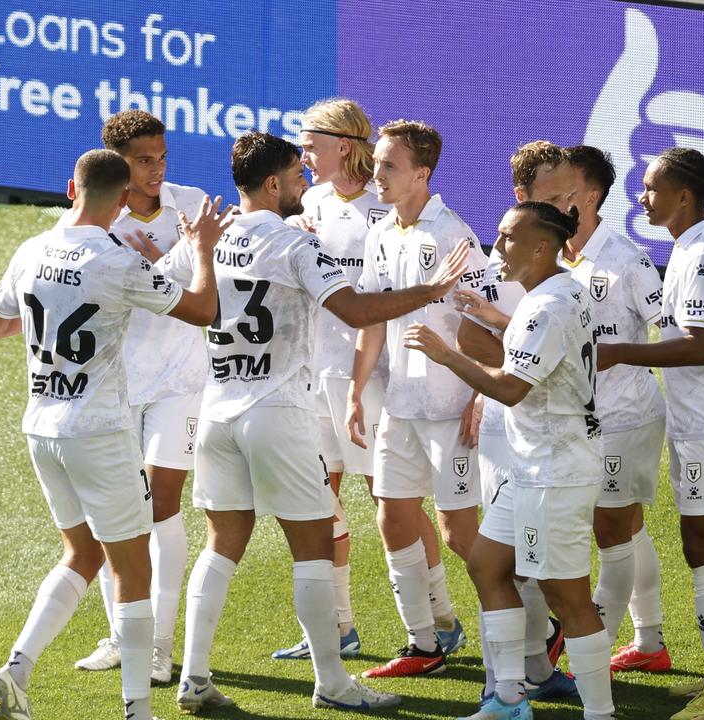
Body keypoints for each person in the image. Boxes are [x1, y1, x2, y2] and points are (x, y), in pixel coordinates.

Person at [168, 131, 475, 713]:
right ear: (272, 184)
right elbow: (357, 310)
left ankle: (196, 677)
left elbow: (167, 287)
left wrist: (198, 249)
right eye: (296, 174)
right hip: (279, 415)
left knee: (220, 546)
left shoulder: (210, 235)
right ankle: (332, 682)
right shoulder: (293, 244)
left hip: (217, 413)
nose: (305, 182)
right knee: (312, 550)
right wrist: (432, 290)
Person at [0, 148, 233, 720]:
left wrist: (61, 302)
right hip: (99, 430)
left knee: (81, 551)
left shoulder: (31, 249)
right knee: (132, 564)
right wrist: (204, 252)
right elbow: (202, 309)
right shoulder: (117, 261)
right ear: (122, 200)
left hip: (41, 427)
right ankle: (138, 709)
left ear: (72, 187)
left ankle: (16, 670)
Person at [405, 201, 615, 720]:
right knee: (486, 564)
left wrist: (447, 353)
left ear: (541, 247)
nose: (496, 247)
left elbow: (511, 388)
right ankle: (509, 698)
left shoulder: (547, 307)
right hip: (532, 466)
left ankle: (601, 713)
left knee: (568, 600)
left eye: (506, 237)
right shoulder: (555, 293)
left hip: (554, 472)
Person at [599, 147, 704, 720]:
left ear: (683, 196)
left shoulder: (702, 253)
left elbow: (697, 345)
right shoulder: (698, 242)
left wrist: (618, 351)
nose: (641, 196)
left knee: (701, 543)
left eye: (650, 187)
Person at [67, 109, 210, 685]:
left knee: (161, 506)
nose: (156, 170)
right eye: (144, 161)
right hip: (118, 383)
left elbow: (212, 283)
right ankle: (122, 635)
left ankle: (159, 646)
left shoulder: (193, 204)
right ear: (118, 165)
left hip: (182, 380)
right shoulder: (96, 218)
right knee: (115, 514)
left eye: (161, 158)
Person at [346, 119, 490, 679]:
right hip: (400, 405)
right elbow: (375, 317)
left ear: (421, 174)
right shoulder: (382, 231)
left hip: (450, 407)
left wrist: (481, 394)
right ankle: (424, 641)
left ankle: (536, 628)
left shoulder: (453, 236)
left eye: (388, 166)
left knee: (459, 532)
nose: (375, 174)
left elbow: (486, 322)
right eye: (377, 163)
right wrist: (358, 390)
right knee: (393, 516)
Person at [456, 141, 577, 704]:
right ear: (524, 196)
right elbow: (470, 337)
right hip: (507, 426)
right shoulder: (497, 260)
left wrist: (509, 337)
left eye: (570, 193)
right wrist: (508, 344)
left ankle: (530, 676)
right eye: (555, 194)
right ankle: (517, 681)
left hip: (553, 440)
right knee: (500, 559)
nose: (568, 204)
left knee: (538, 566)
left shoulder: (567, 272)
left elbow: (552, 347)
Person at [269, 97, 390, 661]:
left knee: (393, 505)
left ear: (344, 146)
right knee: (319, 505)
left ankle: (435, 622)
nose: (303, 154)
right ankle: (337, 627)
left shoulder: (385, 211)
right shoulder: (308, 203)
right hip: (310, 378)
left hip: (372, 380)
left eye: (310, 143)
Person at [559, 145, 671, 673]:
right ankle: (649, 644)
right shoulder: (551, 253)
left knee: (610, 528)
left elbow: (676, 328)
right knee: (627, 528)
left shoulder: (625, 260)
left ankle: (591, 648)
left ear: (591, 196)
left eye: (566, 188)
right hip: (576, 417)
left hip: (625, 417)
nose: (555, 195)